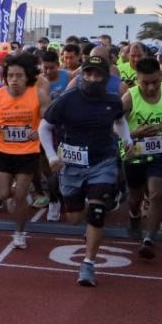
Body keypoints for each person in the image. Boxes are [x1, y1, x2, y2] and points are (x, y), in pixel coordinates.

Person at [40, 55, 132, 286]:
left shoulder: (113, 100)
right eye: (88, 73)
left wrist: (127, 139)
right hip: (71, 166)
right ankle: (89, 213)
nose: (92, 78)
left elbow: (119, 121)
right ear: (82, 75)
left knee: (97, 213)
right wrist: (51, 156)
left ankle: (88, 264)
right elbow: (44, 126)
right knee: (74, 217)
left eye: (97, 74)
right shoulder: (67, 100)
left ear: (105, 77)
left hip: (102, 162)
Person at [122, 57, 162, 260]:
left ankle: (149, 238)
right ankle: (134, 214)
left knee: (158, 193)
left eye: (155, 82)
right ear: (137, 80)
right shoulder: (129, 97)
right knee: (135, 198)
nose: (150, 87)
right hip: (135, 152)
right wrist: (134, 134)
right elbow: (114, 124)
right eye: (145, 83)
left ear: (160, 76)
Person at [0, 53, 50, 249]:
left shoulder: (38, 95)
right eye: (10, 75)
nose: (14, 80)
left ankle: (20, 233)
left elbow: (48, 122)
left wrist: (38, 132)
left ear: (28, 76)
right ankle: (18, 192)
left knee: (19, 197)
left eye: (19, 75)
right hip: (3, 150)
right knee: (3, 194)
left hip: (27, 151)